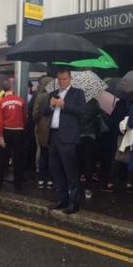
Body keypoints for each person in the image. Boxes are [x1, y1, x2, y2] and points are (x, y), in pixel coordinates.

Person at [45, 69, 86, 215]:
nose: (61, 82)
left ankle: (73, 202)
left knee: (71, 171)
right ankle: (62, 199)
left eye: (64, 79)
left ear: (70, 79)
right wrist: (51, 105)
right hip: (54, 135)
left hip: (68, 137)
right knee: (55, 169)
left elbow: (82, 111)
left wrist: (63, 105)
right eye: (59, 79)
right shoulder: (53, 94)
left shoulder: (77, 93)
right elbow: (45, 111)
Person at [0, 80, 28, 192]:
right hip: (19, 131)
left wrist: (0, 136)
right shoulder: (21, 101)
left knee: (2, 159)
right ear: (12, 88)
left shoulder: (0, 102)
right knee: (18, 159)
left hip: (6, 131)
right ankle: (18, 185)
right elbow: (24, 118)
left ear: (3, 89)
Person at [33, 75, 53, 189]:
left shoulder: (40, 97)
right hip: (53, 129)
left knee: (43, 154)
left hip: (41, 128)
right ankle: (50, 180)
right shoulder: (56, 95)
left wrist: (38, 121)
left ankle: (41, 180)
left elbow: (35, 113)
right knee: (51, 155)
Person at [79, 98, 101, 200]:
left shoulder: (77, 101)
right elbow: (98, 119)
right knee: (89, 163)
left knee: (77, 162)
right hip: (91, 135)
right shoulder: (94, 103)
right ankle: (88, 189)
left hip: (78, 135)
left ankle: (76, 189)